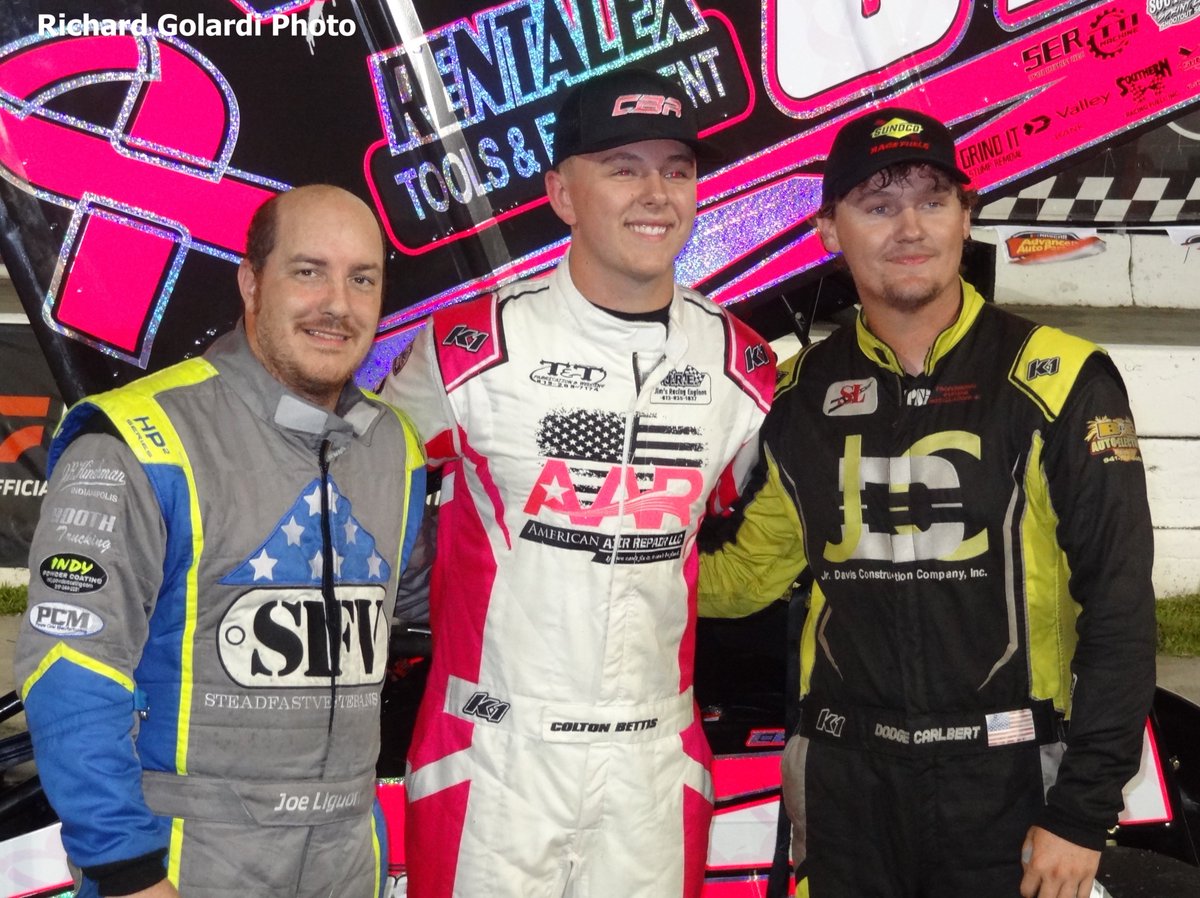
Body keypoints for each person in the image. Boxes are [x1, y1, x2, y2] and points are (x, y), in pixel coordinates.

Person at [699, 108, 1156, 898]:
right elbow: (746, 574)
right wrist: (595, 559)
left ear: (965, 216)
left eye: (932, 200)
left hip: (1010, 781)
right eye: (877, 205)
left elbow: (1119, 604)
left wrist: (1083, 809)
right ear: (829, 232)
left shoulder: (1060, 377)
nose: (909, 226)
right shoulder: (796, 393)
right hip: (845, 786)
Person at [381, 68, 776, 897]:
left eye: (677, 168)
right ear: (562, 192)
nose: (657, 194)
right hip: (496, 754)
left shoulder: (743, 371)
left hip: (651, 763)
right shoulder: (464, 352)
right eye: (622, 167)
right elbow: (354, 511)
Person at [16, 185, 426, 898]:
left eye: (363, 279)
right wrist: (126, 872)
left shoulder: (397, 447)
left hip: (345, 864)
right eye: (308, 271)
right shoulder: (139, 439)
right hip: (184, 868)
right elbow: (70, 664)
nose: (338, 302)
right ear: (250, 282)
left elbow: (439, 608)